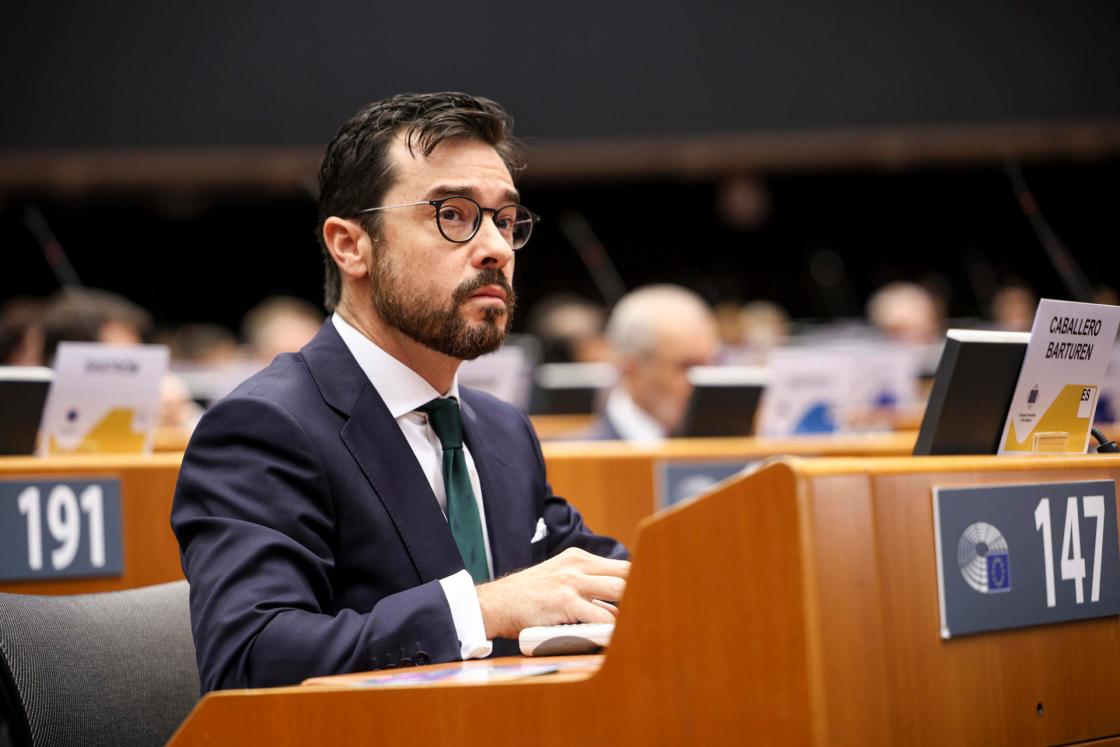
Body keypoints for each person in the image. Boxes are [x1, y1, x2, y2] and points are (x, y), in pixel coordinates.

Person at [171, 92, 629, 693]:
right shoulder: (265, 427)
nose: (496, 248)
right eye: (453, 214)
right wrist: (484, 609)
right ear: (350, 245)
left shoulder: (502, 429)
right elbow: (249, 658)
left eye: (504, 219)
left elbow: (604, 576)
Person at [590, 285, 720, 441]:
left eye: (711, 365)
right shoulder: (576, 454)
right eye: (687, 367)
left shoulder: (727, 447)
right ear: (631, 370)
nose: (704, 381)